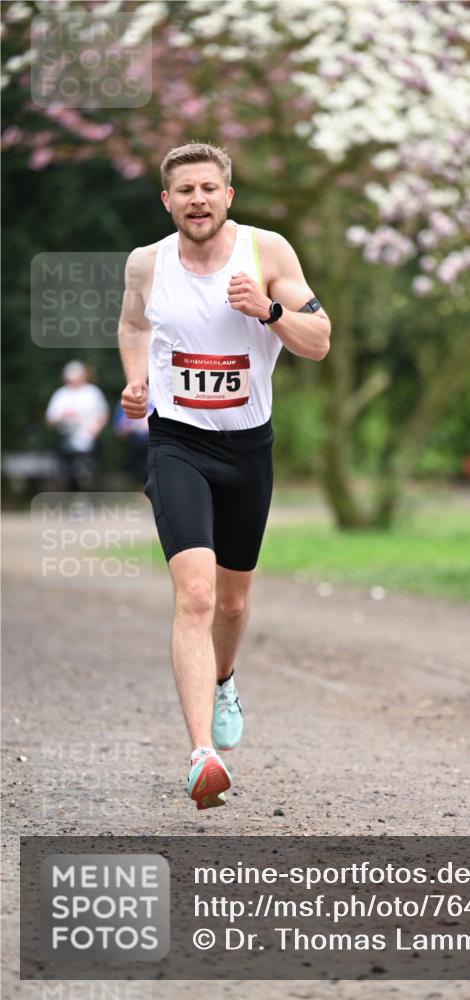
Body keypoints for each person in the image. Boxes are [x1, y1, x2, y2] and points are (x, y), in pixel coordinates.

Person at [118, 142, 331, 810]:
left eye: (208, 188)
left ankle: (225, 678)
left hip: (247, 450)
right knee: (196, 595)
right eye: (185, 190)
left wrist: (268, 311)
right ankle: (201, 753)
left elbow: (320, 341)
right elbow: (132, 323)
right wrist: (136, 381)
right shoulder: (147, 262)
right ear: (167, 201)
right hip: (177, 443)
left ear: (228, 196)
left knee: (233, 604)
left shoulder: (267, 253)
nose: (198, 200)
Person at [45, 360, 109, 492]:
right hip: (65, 439)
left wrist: (95, 429)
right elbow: (50, 420)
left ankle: (88, 498)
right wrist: (62, 416)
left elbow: (103, 415)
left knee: (88, 473)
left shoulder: (93, 392)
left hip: (89, 441)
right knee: (66, 475)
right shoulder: (61, 394)